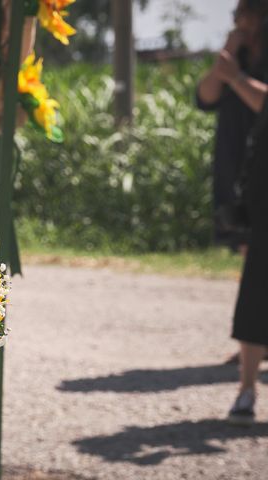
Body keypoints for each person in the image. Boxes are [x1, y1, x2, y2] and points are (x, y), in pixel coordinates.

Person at [198, 0, 268, 426]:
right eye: (236, 16)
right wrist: (225, 63)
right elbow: (205, 96)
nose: (241, 23)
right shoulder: (236, 57)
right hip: (244, 177)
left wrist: (238, 78)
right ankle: (248, 381)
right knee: (254, 273)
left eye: (249, 16)